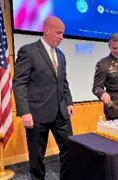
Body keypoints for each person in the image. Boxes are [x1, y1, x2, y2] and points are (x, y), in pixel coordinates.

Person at [13, 16, 74, 180]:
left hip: (61, 113)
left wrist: (68, 102)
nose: (61, 37)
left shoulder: (61, 55)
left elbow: (63, 81)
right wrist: (24, 112)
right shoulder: (28, 51)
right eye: (58, 33)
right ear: (46, 30)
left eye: (63, 34)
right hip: (37, 115)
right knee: (37, 156)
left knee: (70, 148)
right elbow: (19, 83)